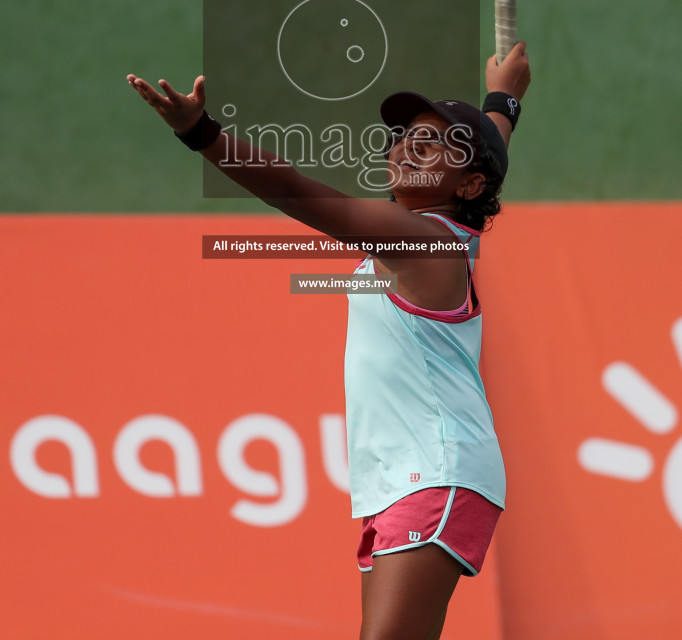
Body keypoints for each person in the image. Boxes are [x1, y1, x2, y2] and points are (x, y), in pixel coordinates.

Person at [127, 40, 530, 640]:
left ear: (469, 185)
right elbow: (485, 150)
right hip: (403, 478)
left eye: (435, 142)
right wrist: (503, 100)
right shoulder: (448, 232)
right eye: (406, 135)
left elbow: (295, 191)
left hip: (436, 469)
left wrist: (201, 132)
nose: (410, 145)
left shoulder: (418, 240)